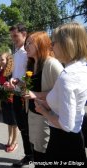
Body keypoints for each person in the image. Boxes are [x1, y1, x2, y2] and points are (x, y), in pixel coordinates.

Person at [35, 22, 87, 166]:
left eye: (54, 43)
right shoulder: (81, 68)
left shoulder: (68, 76)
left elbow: (66, 125)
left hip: (63, 144)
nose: (51, 46)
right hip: (75, 141)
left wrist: (43, 111)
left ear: (66, 44)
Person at [23, 31, 63, 164]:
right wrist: (18, 83)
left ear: (41, 44)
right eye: (26, 43)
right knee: (36, 152)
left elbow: (63, 92)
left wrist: (36, 95)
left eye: (30, 43)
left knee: (44, 155)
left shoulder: (52, 64)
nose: (26, 46)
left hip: (46, 117)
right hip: (33, 115)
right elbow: (32, 89)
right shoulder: (31, 64)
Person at [5, 23, 33, 167]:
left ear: (24, 34)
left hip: (26, 96)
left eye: (15, 36)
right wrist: (11, 80)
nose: (13, 39)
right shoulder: (15, 52)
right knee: (22, 126)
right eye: (11, 36)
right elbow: (16, 74)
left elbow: (31, 75)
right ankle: (29, 155)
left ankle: (32, 155)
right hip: (16, 93)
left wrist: (17, 81)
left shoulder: (28, 53)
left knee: (28, 127)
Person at [0, 52, 18, 152]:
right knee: (8, 121)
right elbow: (0, 84)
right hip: (4, 98)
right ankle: (10, 138)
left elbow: (14, 85)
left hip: (12, 98)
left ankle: (15, 141)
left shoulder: (12, 71)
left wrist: (8, 86)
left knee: (14, 122)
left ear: (7, 60)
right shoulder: (1, 72)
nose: (0, 61)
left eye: (2, 59)